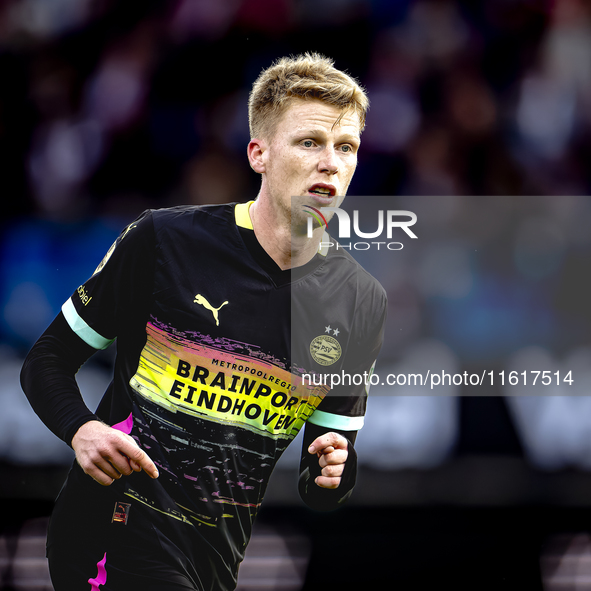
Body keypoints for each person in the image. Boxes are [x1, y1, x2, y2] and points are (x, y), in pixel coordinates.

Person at [20, 53, 387, 591]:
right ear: (259, 154)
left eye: (346, 147)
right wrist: (83, 429)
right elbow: (47, 360)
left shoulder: (360, 302)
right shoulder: (164, 241)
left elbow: (323, 481)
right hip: (112, 532)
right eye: (310, 142)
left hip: (214, 561)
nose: (330, 162)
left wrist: (333, 470)